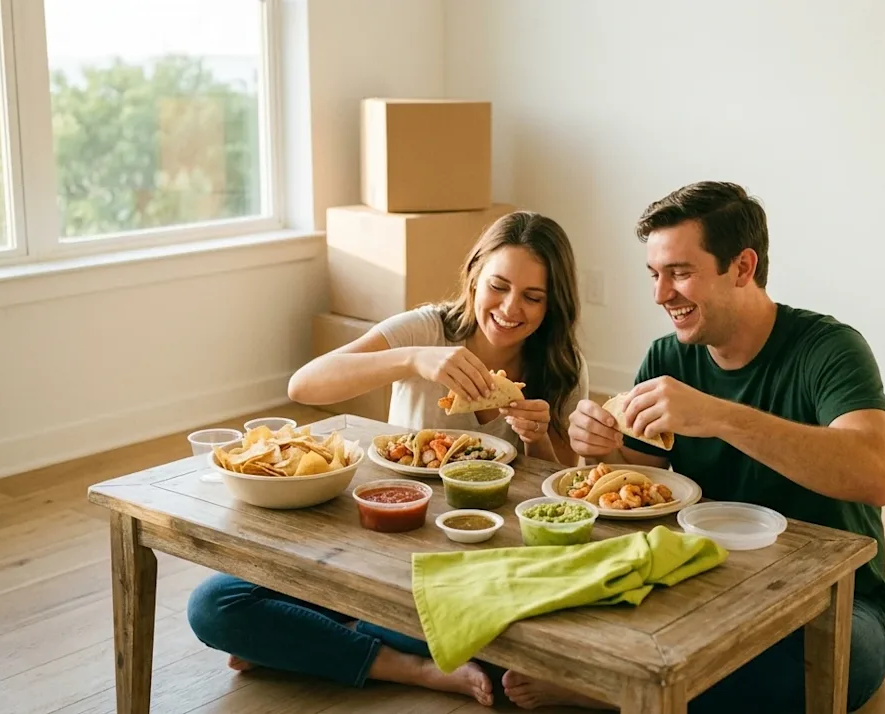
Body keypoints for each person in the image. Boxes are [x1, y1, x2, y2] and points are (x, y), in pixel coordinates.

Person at [501, 182, 885, 713]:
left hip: (831, 599)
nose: (661, 294)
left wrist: (717, 416)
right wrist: (603, 452)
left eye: (681, 273)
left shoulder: (829, 349)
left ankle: (609, 693)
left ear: (742, 267)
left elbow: (877, 474)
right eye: (655, 274)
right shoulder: (667, 356)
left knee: (836, 668)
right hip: (698, 581)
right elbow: (642, 482)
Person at [187, 210, 589, 707]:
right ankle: (412, 667)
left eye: (533, 297)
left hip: (476, 559)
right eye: (498, 286)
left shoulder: (563, 367)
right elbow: (304, 384)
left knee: (482, 644)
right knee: (214, 607)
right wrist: (413, 358)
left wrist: (537, 441)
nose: (510, 308)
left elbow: (571, 490)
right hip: (384, 533)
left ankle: (319, 642)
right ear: (474, 276)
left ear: (554, 304)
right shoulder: (428, 328)